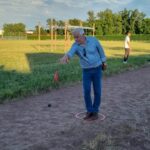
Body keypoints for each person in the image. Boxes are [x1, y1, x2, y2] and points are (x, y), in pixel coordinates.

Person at [60, 28, 107, 121]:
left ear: (83, 35)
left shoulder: (93, 40)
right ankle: (89, 111)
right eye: (74, 37)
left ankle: (95, 111)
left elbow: (101, 51)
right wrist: (66, 57)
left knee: (97, 91)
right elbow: (70, 52)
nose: (76, 39)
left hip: (97, 68)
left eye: (77, 37)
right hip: (86, 71)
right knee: (86, 91)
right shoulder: (76, 45)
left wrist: (104, 62)